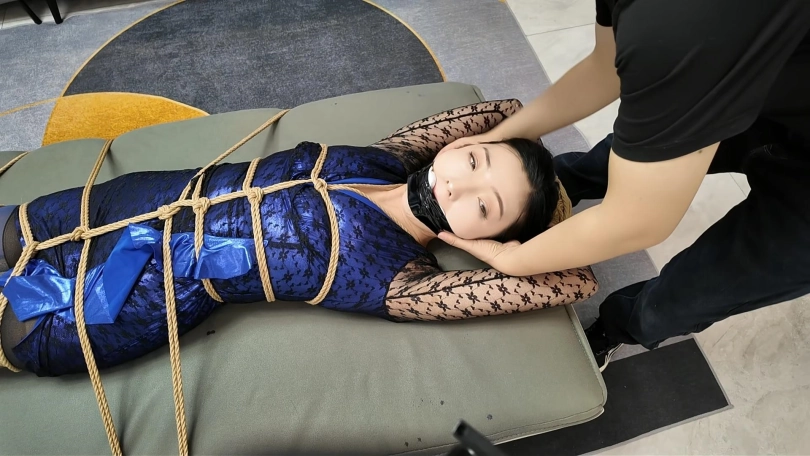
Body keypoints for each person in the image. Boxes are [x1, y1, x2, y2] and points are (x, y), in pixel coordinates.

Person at [0, 99, 598, 377]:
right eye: (472, 162)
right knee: (9, 226)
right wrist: (496, 150)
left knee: (14, 328)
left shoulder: (400, 281)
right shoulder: (386, 158)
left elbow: (572, 280)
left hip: (128, 297)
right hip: (135, 199)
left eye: (485, 208)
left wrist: (500, 255)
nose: (458, 188)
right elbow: (500, 110)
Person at [438, 0, 810, 371]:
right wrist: (495, 139)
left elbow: (639, 223)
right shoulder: (668, 36)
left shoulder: (679, 31)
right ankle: (553, 194)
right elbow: (605, 69)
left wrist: (511, 260)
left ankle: (614, 328)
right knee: (623, 156)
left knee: (688, 297)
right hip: (760, 82)